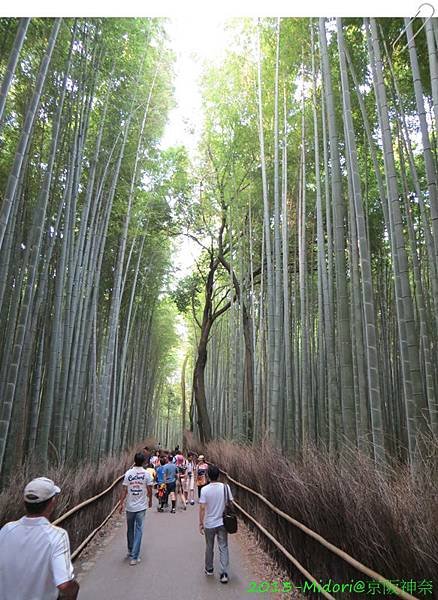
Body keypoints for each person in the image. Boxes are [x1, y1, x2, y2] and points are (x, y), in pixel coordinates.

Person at [0, 477, 79, 599]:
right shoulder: (57, 536)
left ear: (25, 503)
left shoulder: (7, 530)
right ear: (52, 503)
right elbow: (64, 585)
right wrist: (75, 588)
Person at [199, 464, 233, 584]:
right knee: (223, 546)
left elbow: (202, 508)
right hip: (222, 522)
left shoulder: (204, 490)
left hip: (209, 523)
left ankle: (209, 569)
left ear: (208, 476)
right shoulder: (225, 488)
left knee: (209, 547)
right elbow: (230, 503)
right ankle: (224, 573)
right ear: (219, 476)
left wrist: (200, 523)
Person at [119, 452, 153, 565]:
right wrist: (150, 500)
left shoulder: (128, 473)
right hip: (141, 506)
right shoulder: (146, 474)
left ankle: (130, 550)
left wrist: (121, 503)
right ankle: (134, 556)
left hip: (130, 505)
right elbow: (149, 489)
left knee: (130, 529)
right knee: (138, 530)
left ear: (134, 461)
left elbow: (124, 489)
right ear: (144, 462)